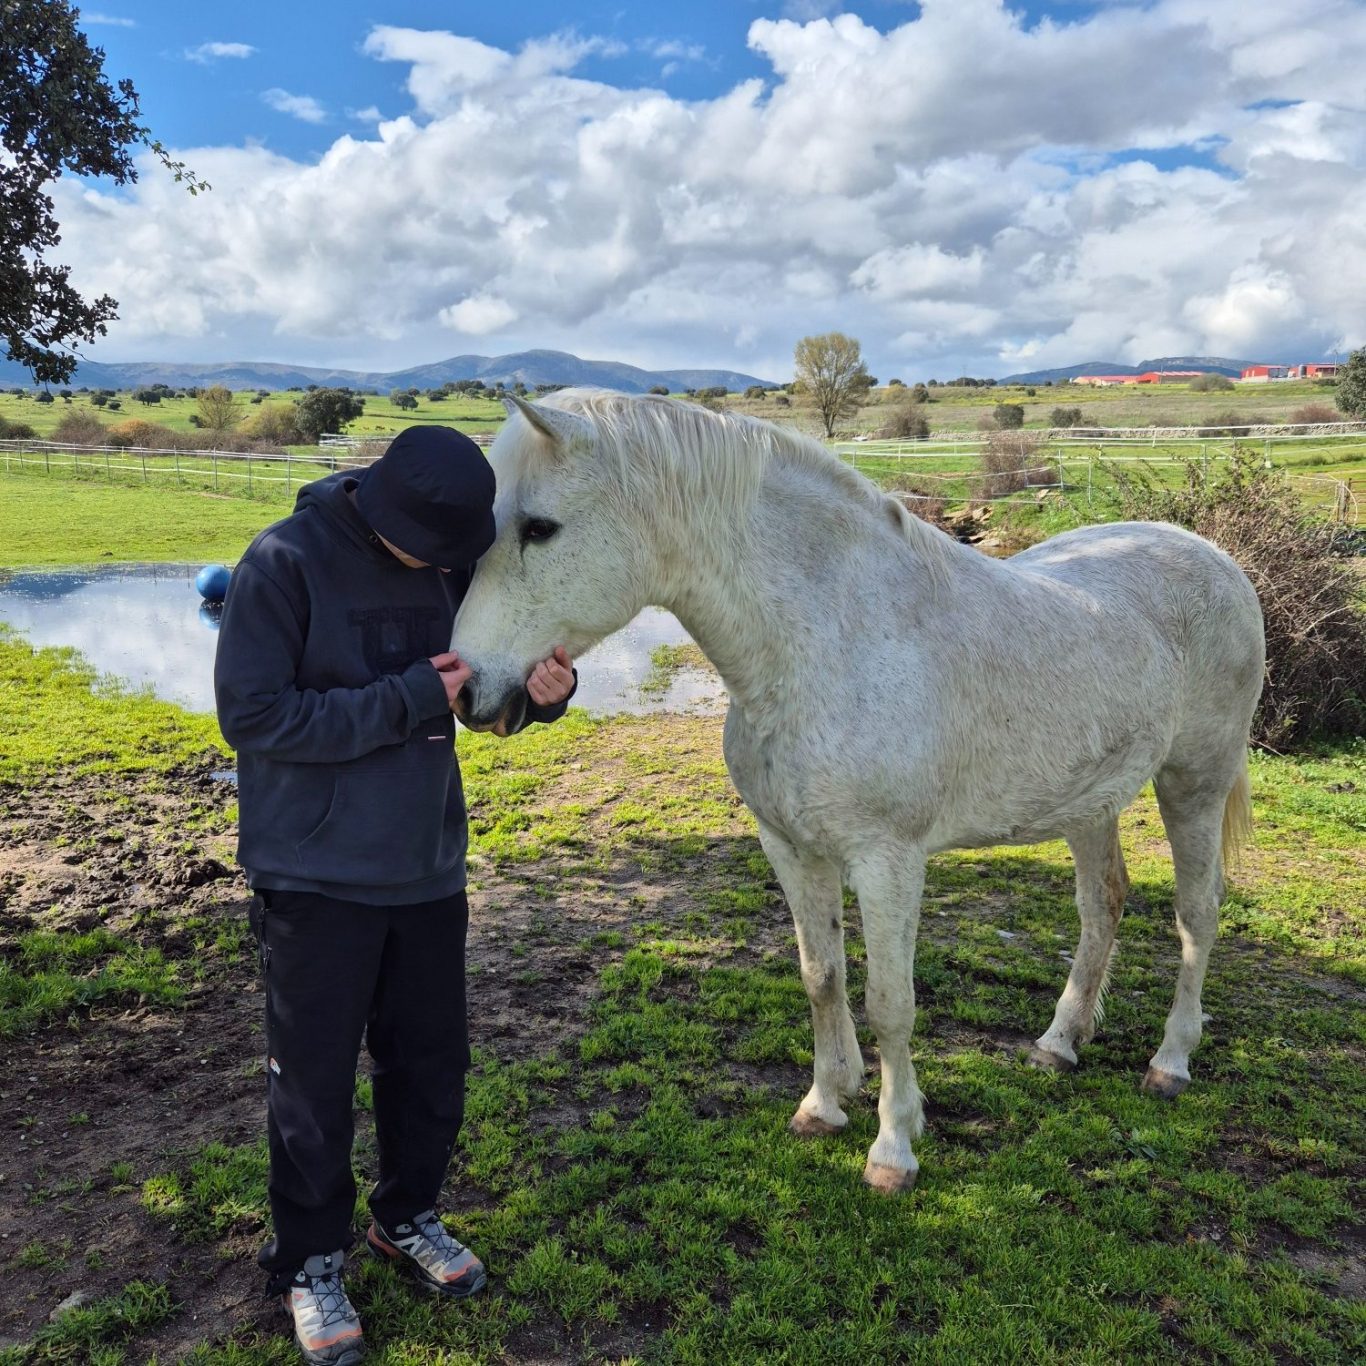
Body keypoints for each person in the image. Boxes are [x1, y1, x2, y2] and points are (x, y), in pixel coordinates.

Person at [214, 426, 575, 1366]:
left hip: (425, 868)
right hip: (314, 873)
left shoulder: (450, 562)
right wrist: (404, 698)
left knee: (431, 1068)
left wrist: (538, 695)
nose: (455, 572)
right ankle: (308, 1261)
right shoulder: (281, 564)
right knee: (314, 1085)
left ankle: (407, 1217)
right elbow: (251, 717)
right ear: (382, 510)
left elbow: (479, 706)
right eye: (442, 555)